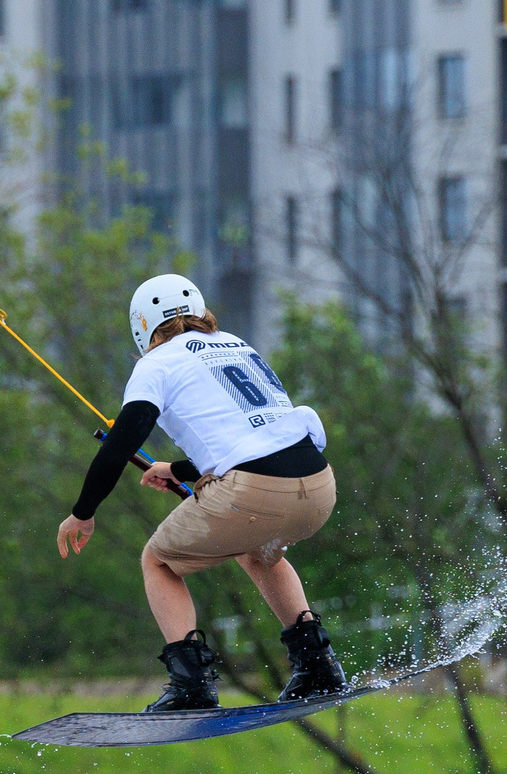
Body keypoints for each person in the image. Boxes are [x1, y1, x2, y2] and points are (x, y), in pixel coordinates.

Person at [55, 274, 347, 713]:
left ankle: (191, 684)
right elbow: (257, 434)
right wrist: (175, 469)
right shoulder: (237, 344)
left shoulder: (156, 363)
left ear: (142, 326)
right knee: (261, 552)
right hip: (319, 485)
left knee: (158, 560)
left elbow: (121, 442)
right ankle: (318, 663)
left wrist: (83, 511)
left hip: (255, 493)